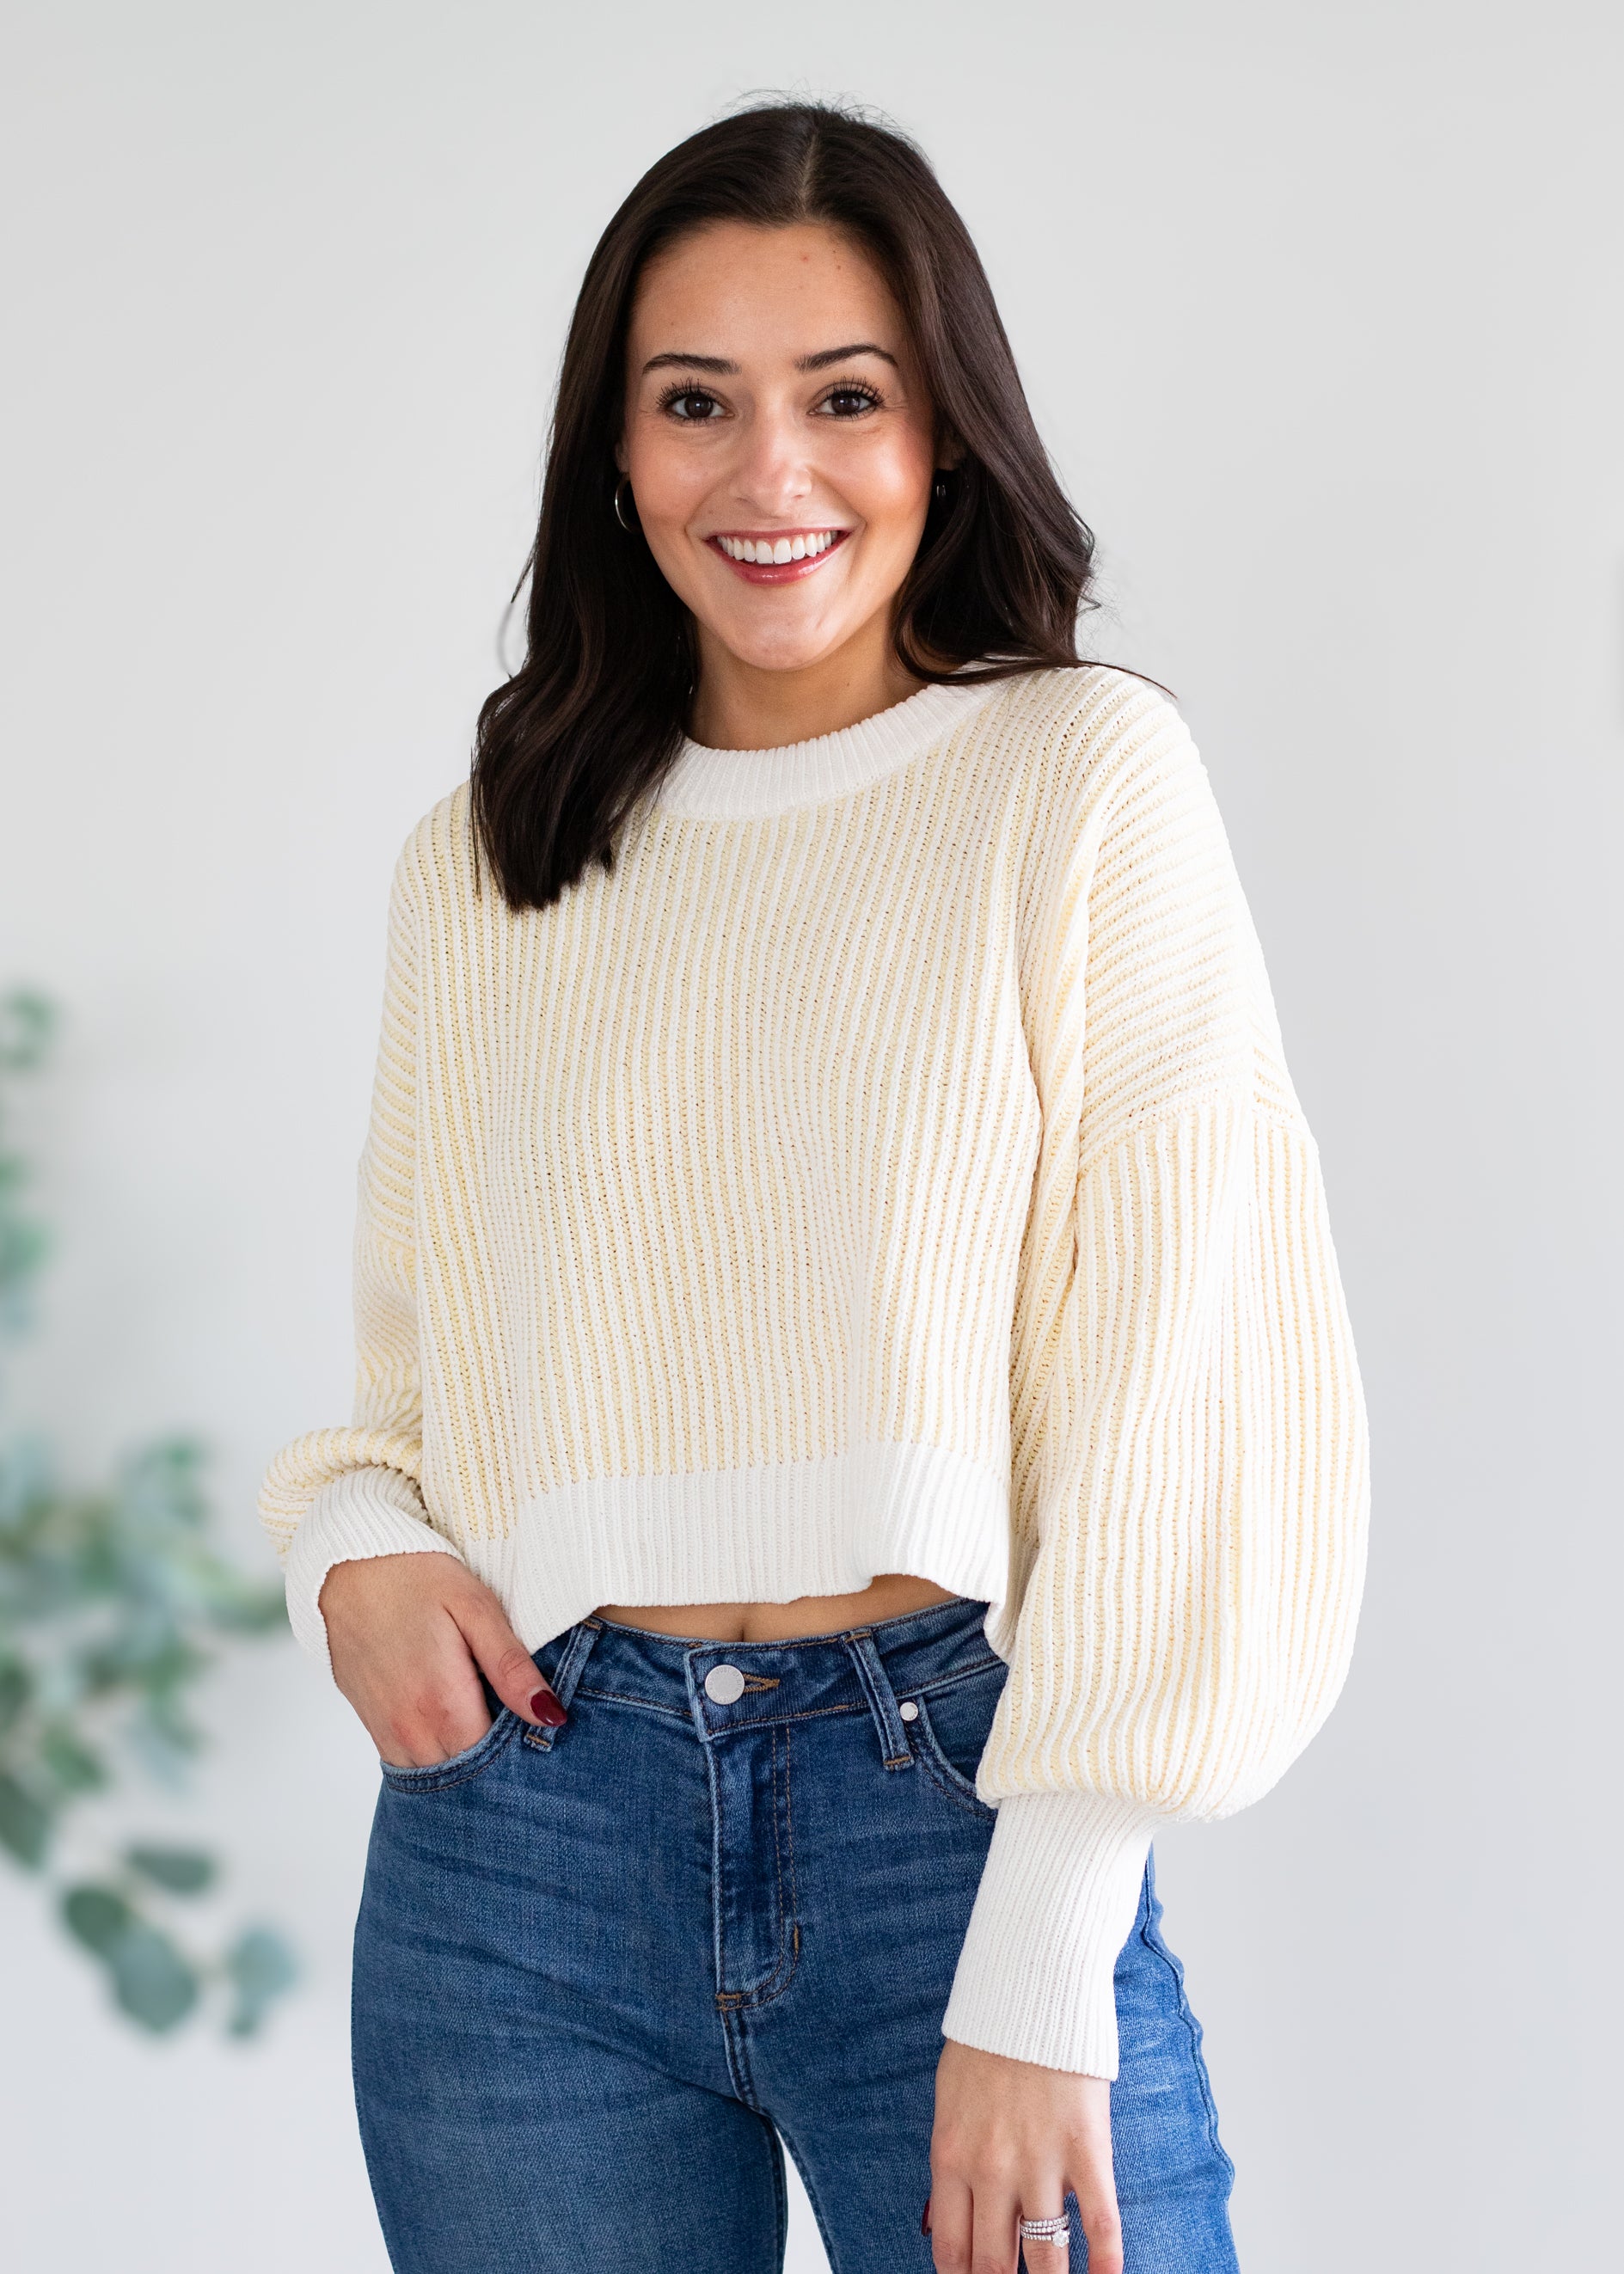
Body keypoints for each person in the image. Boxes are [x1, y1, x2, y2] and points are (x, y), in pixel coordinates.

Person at [260, 100, 1368, 2274]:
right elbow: (410, 1379)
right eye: (697, 406)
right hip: (522, 1861)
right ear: (617, 449)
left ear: (942, 432)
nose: (772, 478)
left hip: (947, 1818)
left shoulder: (1078, 784)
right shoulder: (490, 864)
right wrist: (358, 1546)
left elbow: (1188, 1374)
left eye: (842, 398)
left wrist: (1051, 1936)